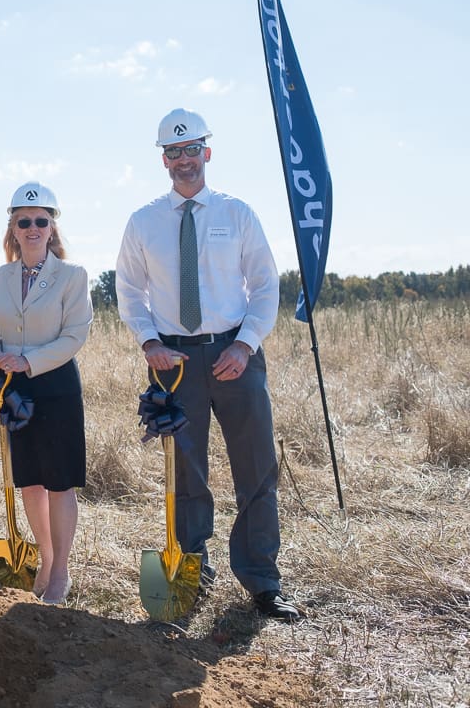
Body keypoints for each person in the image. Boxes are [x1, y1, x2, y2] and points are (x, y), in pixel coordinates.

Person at [114, 108, 302, 621]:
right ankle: (191, 573)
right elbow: (128, 290)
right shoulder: (143, 222)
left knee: (256, 469)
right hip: (172, 360)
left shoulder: (237, 213)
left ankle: (262, 582)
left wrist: (245, 345)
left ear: (207, 152)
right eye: (173, 152)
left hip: (235, 355)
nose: (184, 160)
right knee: (185, 473)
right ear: (163, 160)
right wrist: (149, 342)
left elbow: (265, 284)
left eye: (192, 149)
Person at [0, 181, 93, 605]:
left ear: (52, 227)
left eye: (40, 221)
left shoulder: (72, 276)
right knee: (29, 483)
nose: (32, 228)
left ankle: (61, 571)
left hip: (56, 386)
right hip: (13, 389)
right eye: (23, 221)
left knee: (59, 483)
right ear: (12, 227)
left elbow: (74, 335)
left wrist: (28, 361)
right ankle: (45, 559)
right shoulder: (0, 277)